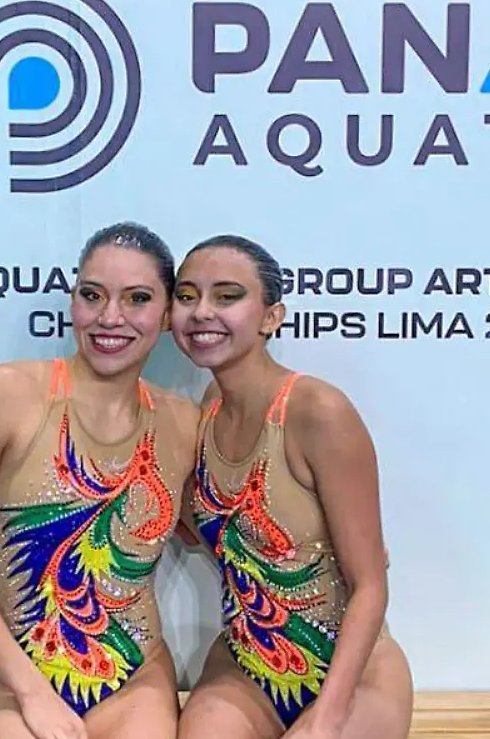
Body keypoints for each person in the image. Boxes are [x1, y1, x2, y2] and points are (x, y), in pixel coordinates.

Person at [0, 222, 199, 739]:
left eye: (137, 299)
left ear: (167, 315)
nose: (110, 317)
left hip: (136, 679)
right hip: (17, 679)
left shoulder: (184, 423)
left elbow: (228, 530)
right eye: (92, 295)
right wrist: (32, 693)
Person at [169, 235, 413, 739]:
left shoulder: (318, 412)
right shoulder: (207, 409)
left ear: (271, 317)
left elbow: (370, 585)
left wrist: (327, 717)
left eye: (227, 296)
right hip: (246, 668)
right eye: (187, 296)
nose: (202, 311)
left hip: (352, 673)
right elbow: (217, 531)